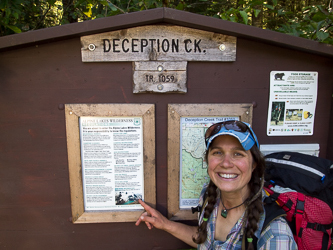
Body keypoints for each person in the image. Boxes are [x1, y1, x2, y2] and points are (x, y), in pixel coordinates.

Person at [135, 120, 297, 249]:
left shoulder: (275, 235)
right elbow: (204, 240)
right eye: (218, 152)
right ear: (207, 160)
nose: (226, 163)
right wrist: (165, 224)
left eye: (238, 154)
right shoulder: (209, 196)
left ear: (254, 164)